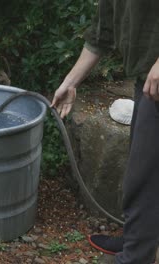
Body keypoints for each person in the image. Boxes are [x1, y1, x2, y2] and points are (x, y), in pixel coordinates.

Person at [51, 0, 159, 263]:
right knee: (145, 169)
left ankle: (137, 255)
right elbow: (103, 32)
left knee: (142, 178)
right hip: (146, 78)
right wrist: (70, 82)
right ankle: (142, 237)